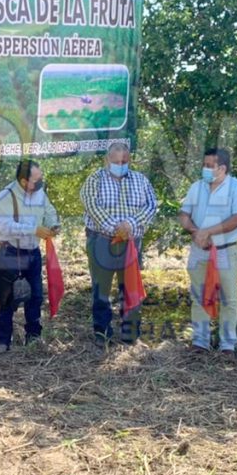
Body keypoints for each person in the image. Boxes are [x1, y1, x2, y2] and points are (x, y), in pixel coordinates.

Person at [80, 142, 157, 346]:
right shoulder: (95, 179)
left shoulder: (140, 180)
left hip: (131, 243)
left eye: (124, 161)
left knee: (130, 288)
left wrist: (130, 225)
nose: (120, 164)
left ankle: (130, 335)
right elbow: (91, 205)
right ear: (107, 159)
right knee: (101, 289)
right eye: (116, 161)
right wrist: (116, 228)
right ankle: (102, 334)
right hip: (101, 241)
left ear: (129, 160)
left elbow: (151, 206)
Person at [178, 148, 237, 357]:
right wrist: (195, 232)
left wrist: (208, 231)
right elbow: (184, 214)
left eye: (209, 166)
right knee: (199, 296)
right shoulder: (197, 187)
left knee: (229, 299)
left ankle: (227, 345)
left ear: (222, 168)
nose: (205, 169)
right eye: (204, 164)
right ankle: (200, 342)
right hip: (199, 250)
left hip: (225, 251)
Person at [0, 160, 60, 353]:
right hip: (11, 252)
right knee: (7, 298)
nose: (40, 182)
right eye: (36, 179)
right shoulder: (6, 196)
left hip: (33, 252)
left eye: (40, 178)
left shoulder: (40, 193)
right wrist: (34, 229)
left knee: (36, 296)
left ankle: (34, 339)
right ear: (23, 181)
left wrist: (53, 224)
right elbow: (5, 227)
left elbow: (50, 211)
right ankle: (2, 341)